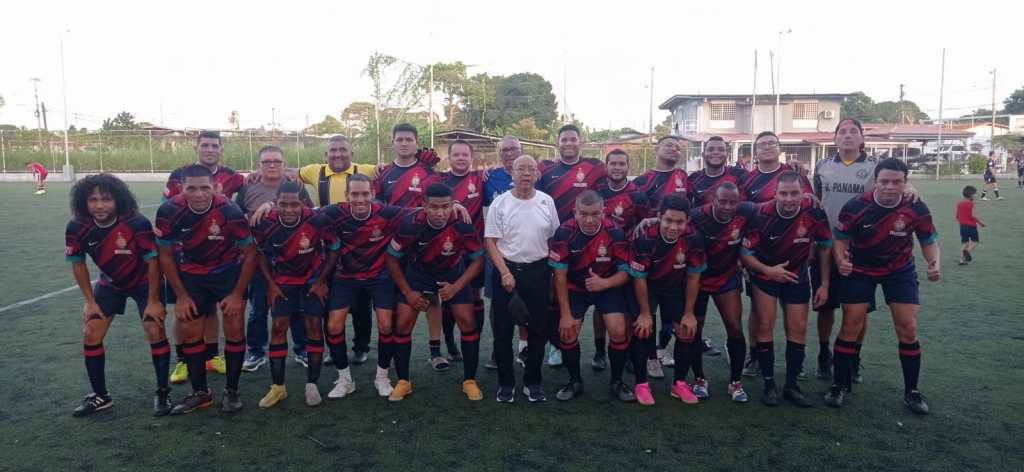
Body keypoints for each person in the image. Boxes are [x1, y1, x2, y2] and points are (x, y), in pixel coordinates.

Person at [827, 158, 940, 415]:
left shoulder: (916, 207)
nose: (890, 187)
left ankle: (911, 391)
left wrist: (934, 262)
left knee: (908, 327)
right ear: (875, 182)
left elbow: (928, 239)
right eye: (884, 181)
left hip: (899, 270)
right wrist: (841, 259)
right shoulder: (856, 206)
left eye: (897, 182)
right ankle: (839, 385)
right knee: (851, 324)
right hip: (861, 270)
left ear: (905, 182)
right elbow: (840, 239)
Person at [156, 165, 258, 414]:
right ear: (181, 188)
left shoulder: (229, 210)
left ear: (214, 187)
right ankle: (201, 393)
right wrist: (180, 295)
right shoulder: (169, 211)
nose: (199, 194)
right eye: (192, 188)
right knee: (191, 332)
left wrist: (236, 294)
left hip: (227, 274)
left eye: (205, 188)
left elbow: (251, 253)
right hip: (190, 276)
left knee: (234, 327)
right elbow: (165, 256)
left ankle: (232, 391)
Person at [66, 174, 170, 416]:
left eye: (106, 199)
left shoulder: (136, 223)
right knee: (91, 332)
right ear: (84, 202)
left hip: (145, 283)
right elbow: (78, 263)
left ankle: (163, 393)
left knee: (154, 329)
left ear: (118, 200)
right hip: (110, 284)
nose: (99, 205)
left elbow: (153, 263)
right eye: (93, 200)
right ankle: (101, 396)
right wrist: (90, 302)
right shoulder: (77, 226)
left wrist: (154, 301)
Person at [740, 172, 833, 407]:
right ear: (775, 193)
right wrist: (768, 271)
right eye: (783, 193)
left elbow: (824, 247)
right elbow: (745, 253)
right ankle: (769, 384)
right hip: (765, 275)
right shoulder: (761, 214)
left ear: (804, 194)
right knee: (764, 325)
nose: (789, 199)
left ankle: (792, 385)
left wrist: (824, 284)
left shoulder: (814, 211)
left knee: (798, 328)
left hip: (796, 276)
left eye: (794, 193)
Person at [385, 183, 485, 402]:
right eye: (434, 207)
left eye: (445, 207)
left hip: (452, 274)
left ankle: (470, 381)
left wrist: (457, 286)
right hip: (418, 275)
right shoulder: (410, 224)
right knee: (402, 324)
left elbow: (478, 259)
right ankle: (404, 382)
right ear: (423, 206)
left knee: (468, 323)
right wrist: (409, 292)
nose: (440, 212)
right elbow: (391, 258)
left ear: (452, 205)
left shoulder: (463, 224)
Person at [319, 174, 416, 399]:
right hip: (346, 277)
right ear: (346, 196)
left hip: (380, 276)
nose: (360, 199)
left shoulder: (385, 212)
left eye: (365, 194)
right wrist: (269, 206)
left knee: (385, 325)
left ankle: (382, 377)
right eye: (354, 194)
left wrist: (456, 205)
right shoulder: (336, 212)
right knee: (333, 326)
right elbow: (302, 213)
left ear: (372, 194)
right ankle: (344, 379)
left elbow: (418, 212)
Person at [164, 131, 246, 385]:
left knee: (215, 311)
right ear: (196, 147)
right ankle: (182, 361)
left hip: (222, 254)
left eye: (214, 145)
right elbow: (168, 209)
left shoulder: (234, 177)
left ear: (221, 149)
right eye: (205, 145)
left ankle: (212, 356)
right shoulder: (179, 174)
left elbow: (247, 193)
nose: (209, 149)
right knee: (185, 313)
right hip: (187, 257)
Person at [374, 123, 452, 372]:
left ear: (416, 142)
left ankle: (435, 351)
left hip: (426, 244)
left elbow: (442, 199)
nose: (404, 143)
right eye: (400, 139)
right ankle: (397, 348)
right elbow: (378, 206)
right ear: (393, 142)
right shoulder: (384, 173)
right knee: (399, 300)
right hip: (395, 245)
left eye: (409, 139)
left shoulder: (428, 172)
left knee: (433, 299)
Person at [251, 182, 336, 408]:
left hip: (311, 282)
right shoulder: (265, 222)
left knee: (314, 326)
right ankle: (278, 387)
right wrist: (270, 284)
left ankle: (312, 385)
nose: (289, 209)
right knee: (278, 327)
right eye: (283, 204)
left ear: (303, 203)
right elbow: (259, 254)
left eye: (294, 204)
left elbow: (334, 249)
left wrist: (321, 281)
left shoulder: (317, 219)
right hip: (283, 282)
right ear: (275, 203)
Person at [484, 155, 561, 403]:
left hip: (538, 272)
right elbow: (491, 241)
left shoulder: (546, 202)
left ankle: (533, 381)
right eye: (520, 169)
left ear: (537, 174)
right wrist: (504, 273)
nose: (526, 173)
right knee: (503, 332)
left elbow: (553, 240)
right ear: (513, 174)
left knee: (538, 330)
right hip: (506, 273)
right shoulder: (501, 203)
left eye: (531, 169)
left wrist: (550, 274)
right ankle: (506, 383)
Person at [736, 131, 813, 377]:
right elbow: (743, 216)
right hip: (760, 257)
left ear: (779, 148)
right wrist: (746, 259)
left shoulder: (794, 175)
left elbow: (811, 203)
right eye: (762, 144)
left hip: (794, 256)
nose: (767, 147)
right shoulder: (748, 181)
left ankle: (795, 366)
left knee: (795, 314)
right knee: (759, 313)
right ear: (755, 151)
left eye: (772, 143)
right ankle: (755, 354)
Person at [549, 190, 636, 402]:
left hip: (607, 285)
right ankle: (575, 381)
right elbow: (559, 277)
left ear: (604, 212)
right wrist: (566, 314)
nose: (589, 219)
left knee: (618, 329)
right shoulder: (564, 232)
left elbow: (626, 273)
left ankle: (616, 381)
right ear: (574, 212)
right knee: (568, 331)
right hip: (575, 288)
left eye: (595, 213)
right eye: (584, 214)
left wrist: (604, 283)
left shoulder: (615, 232)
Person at [535, 124, 608, 368]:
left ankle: (601, 350)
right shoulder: (545, 169)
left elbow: (621, 180)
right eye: (564, 139)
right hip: (554, 240)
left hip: (588, 239)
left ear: (580, 142)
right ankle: (555, 345)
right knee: (553, 295)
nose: (568, 143)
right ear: (558, 143)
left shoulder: (595, 167)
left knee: (588, 293)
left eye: (573, 139)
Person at [236, 146, 312, 373]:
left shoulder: (295, 185)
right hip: (260, 255)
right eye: (266, 161)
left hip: (293, 257)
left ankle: (302, 348)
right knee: (258, 307)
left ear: (284, 163)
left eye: (276, 161)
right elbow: (237, 216)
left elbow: (309, 212)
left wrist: (270, 207)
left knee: (297, 307)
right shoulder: (248, 185)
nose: (272, 165)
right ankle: (256, 352)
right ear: (258, 164)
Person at [627, 194, 706, 406]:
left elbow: (693, 276)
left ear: (687, 220)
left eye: (680, 222)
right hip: (647, 286)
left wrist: (689, 312)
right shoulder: (644, 236)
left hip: (674, 287)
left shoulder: (694, 238)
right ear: (659, 217)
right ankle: (641, 384)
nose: (673, 226)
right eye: (668, 220)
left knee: (687, 331)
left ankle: (679, 384)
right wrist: (645, 313)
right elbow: (639, 278)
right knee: (642, 329)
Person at [687, 183, 758, 402]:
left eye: (732, 202)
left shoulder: (747, 211)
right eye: (722, 201)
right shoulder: (696, 216)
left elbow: (772, 206)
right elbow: (671, 221)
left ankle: (735, 383)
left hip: (726, 277)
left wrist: (806, 197)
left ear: (739, 202)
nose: (727, 206)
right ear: (713, 200)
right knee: (693, 331)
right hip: (698, 279)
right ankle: (699, 379)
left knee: (735, 327)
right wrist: (650, 219)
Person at [594, 150, 649, 375]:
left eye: (621, 164)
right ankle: (599, 352)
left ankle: (623, 352)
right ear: (606, 166)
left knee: (624, 308)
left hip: (625, 257)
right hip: (599, 254)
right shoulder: (597, 189)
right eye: (613, 164)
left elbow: (647, 221)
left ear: (628, 166)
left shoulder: (637, 194)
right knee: (600, 307)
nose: (617, 168)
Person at [439, 140, 488, 365]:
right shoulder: (440, 180)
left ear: (471, 158)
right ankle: (450, 344)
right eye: (456, 154)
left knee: (476, 296)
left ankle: (473, 339)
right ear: (449, 158)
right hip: (447, 251)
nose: (460, 158)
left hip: (474, 250)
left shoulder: (480, 178)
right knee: (448, 298)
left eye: (464, 155)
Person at [482, 136, 529, 370]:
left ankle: (524, 348)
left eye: (514, 149)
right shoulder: (489, 177)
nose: (510, 153)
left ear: (522, 151)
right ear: (500, 153)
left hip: (526, 249)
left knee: (526, 300)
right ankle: (498, 348)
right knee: (497, 303)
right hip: (497, 250)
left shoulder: (531, 174)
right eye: (505, 150)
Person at [686, 137, 747, 207]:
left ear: (727, 154)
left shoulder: (740, 175)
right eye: (710, 149)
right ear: (703, 155)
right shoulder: (693, 179)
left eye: (721, 150)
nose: (716, 152)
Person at [956, 185, 985, 265]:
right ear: (971, 195)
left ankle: (961, 260)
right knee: (975, 241)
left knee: (964, 243)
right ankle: (967, 251)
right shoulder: (972, 203)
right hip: (971, 226)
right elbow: (973, 216)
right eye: (975, 194)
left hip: (962, 227)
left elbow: (957, 216)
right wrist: (981, 223)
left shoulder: (960, 203)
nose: (975, 196)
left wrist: (961, 222)